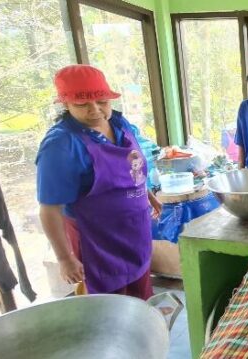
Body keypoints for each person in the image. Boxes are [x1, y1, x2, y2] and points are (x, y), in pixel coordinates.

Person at [36, 64, 162, 300]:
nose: (95, 110)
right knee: (109, 310)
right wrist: (65, 258)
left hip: (135, 231)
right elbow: (49, 210)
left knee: (141, 300)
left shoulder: (120, 124)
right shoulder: (61, 145)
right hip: (98, 242)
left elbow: (131, 168)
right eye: (82, 104)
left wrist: (146, 193)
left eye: (102, 102)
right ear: (66, 104)